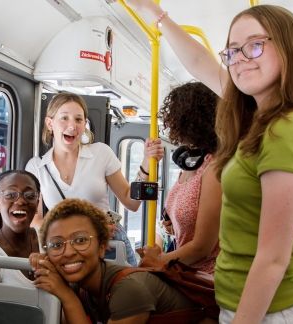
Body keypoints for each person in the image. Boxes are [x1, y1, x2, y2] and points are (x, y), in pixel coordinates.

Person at [126, 1, 293, 322]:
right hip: (245, 302)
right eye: (234, 50)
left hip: (270, 311)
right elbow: (199, 63)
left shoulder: (286, 130)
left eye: (256, 45)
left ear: (289, 49)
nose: (242, 59)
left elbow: (273, 260)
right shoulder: (256, 116)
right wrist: (157, 15)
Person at [25, 92, 164, 267]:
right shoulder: (37, 167)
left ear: (84, 125)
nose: (72, 126)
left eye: (78, 120)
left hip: (109, 243)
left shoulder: (101, 153)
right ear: (50, 123)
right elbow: (35, 220)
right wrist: (79, 233)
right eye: (64, 118)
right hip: (67, 248)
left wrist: (145, 163)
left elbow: (131, 202)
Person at [29, 198, 208, 324]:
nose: (67, 252)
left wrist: (68, 298)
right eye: (56, 244)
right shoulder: (79, 284)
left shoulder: (129, 289)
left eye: (81, 240)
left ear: (102, 247)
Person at [142, 82, 221, 274]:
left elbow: (202, 247)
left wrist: (158, 262)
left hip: (208, 276)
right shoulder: (189, 163)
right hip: (184, 270)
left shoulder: (214, 166)